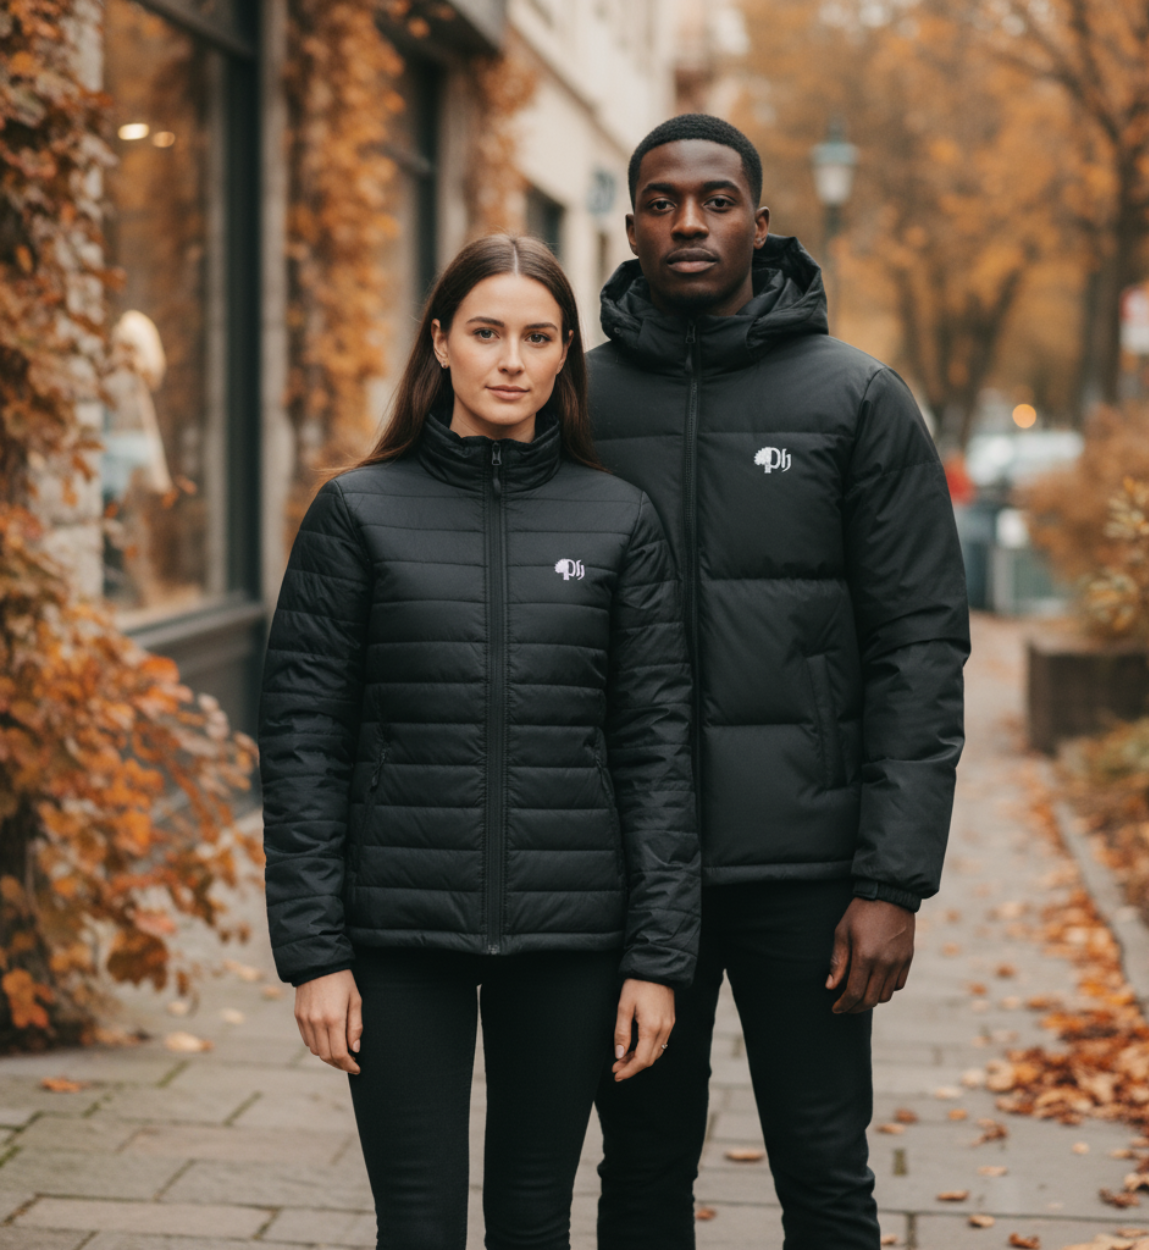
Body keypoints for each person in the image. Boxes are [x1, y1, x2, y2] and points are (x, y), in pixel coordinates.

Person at [259, 234, 700, 1250]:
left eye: (537, 336)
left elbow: (653, 749)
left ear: (563, 357)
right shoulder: (355, 512)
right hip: (397, 935)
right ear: (440, 343)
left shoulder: (618, 522)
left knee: (531, 1222)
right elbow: (302, 743)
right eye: (487, 332)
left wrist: (656, 958)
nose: (511, 359)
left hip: (571, 935)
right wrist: (315, 954)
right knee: (415, 1226)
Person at [587, 114, 970, 1249]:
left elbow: (918, 641)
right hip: (633, 864)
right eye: (662, 202)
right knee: (641, 1163)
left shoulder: (854, 397)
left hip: (806, 872)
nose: (688, 221)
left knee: (822, 1160)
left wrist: (892, 880)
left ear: (759, 221)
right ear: (631, 225)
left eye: (713, 200)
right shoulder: (579, 401)